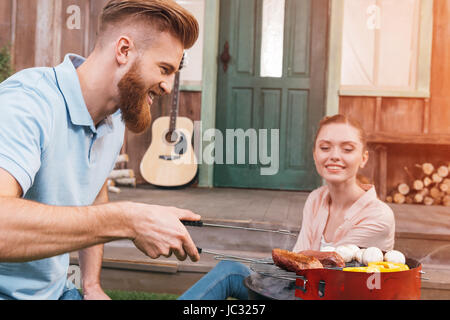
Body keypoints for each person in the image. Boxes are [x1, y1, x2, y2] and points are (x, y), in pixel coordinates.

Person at [0, 0, 201, 300]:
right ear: (123, 51)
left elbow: (95, 192)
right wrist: (127, 220)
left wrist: (91, 284)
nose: (169, 86)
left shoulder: (114, 118)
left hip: (56, 293)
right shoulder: (27, 103)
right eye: (164, 68)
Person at [179, 114, 395, 300]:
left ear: (363, 158)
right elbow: (298, 261)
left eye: (347, 149)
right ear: (315, 155)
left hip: (332, 296)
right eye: (325, 147)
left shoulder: (378, 216)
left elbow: (330, 271)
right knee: (230, 270)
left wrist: (289, 259)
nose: (334, 156)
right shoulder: (316, 198)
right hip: (300, 289)